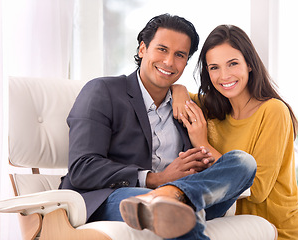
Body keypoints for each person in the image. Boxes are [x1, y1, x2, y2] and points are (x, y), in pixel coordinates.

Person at [59, 14, 257, 240]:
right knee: (175, 216)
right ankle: (167, 199)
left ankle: (172, 196)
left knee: (243, 162)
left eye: (180, 55)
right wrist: (155, 179)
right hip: (114, 197)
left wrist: (196, 166)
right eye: (162, 49)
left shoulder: (185, 109)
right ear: (142, 49)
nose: (169, 62)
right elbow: (82, 167)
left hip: (182, 195)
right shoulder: (103, 91)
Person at [172, 25, 298, 239]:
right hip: (236, 229)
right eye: (214, 67)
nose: (224, 75)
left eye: (233, 64)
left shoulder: (273, 111)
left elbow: (256, 190)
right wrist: (179, 90)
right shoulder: (210, 108)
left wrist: (204, 145)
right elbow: (173, 89)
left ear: (249, 64)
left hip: (281, 231)